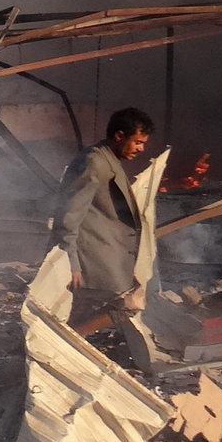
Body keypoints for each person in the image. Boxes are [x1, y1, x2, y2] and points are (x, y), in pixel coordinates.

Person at [53, 106, 158, 336]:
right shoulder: (95, 162)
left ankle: (67, 343)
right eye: (138, 142)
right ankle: (69, 344)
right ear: (119, 136)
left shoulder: (108, 159)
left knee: (80, 314)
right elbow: (68, 214)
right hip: (90, 259)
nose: (141, 149)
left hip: (104, 257)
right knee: (128, 304)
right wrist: (70, 262)